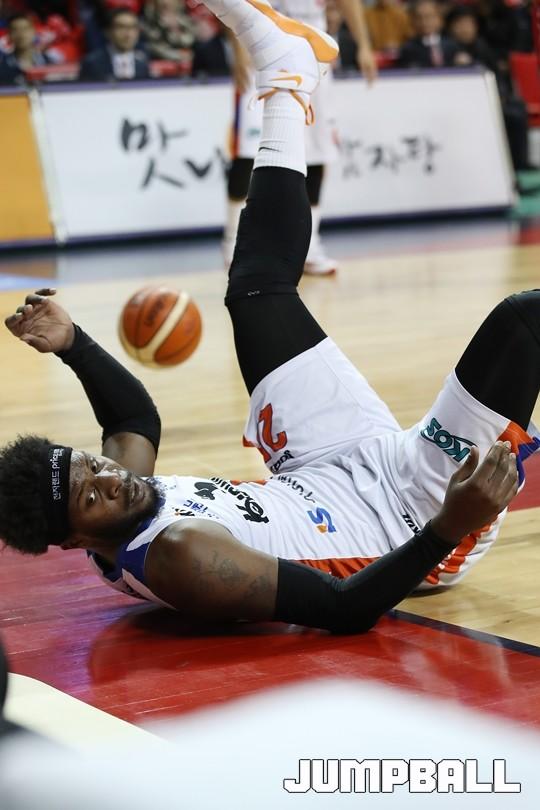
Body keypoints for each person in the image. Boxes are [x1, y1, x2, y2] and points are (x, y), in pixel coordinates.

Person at [1, 0, 536, 635]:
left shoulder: (117, 503)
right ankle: (287, 77)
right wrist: (451, 523)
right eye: (91, 495)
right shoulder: (179, 556)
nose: (111, 479)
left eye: (92, 465)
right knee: (522, 322)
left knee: (256, 290)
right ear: (72, 540)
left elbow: (131, 422)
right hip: (415, 516)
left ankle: (286, 80)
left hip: (321, 470)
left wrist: (74, 344)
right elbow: (343, 609)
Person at [222, 0, 378, 276]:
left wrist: (364, 45)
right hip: (260, 39)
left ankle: (308, 247)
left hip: (311, 49)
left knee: (317, 151)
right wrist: (238, 47)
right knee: (248, 150)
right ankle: (233, 242)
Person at [78, 7, 150, 81]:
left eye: (133, 27)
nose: (128, 34)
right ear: (107, 31)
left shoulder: (143, 62)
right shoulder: (92, 63)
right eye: (121, 27)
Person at [398, 0, 459, 68]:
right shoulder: (408, 49)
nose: (424, 22)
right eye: (419, 18)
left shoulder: (452, 46)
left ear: (440, 19)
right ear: (412, 21)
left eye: (429, 17)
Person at [0, 13, 52, 85]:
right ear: (9, 34)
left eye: (25, 29)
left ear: (33, 31)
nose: (21, 34)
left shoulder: (51, 64)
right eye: (15, 30)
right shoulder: (2, 68)